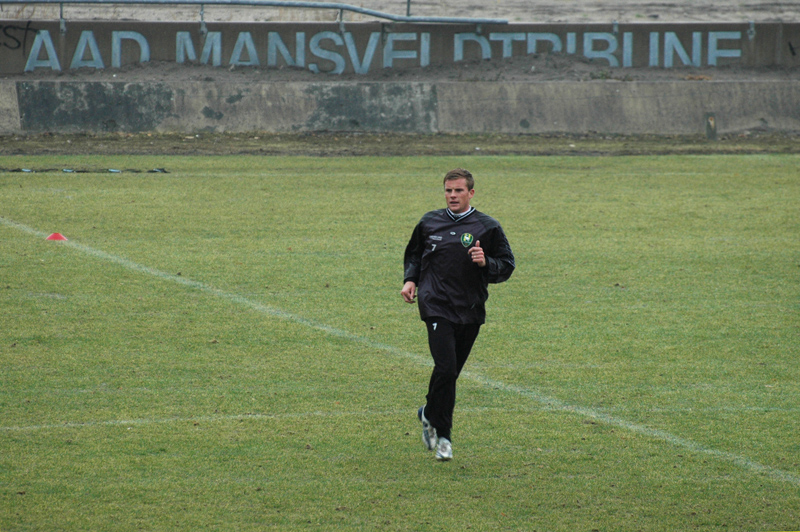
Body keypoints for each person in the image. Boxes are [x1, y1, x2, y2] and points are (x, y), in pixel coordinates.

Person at [401, 168, 515, 461]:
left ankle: (428, 412)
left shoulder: (487, 227)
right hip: (435, 304)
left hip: (470, 308)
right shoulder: (429, 222)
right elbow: (414, 253)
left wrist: (485, 262)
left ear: (471, 193)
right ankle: (445, 439)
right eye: (448, 191)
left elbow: (506, 265)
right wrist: (410, 280)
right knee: (447, 368)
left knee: (449, 374)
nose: (452, 195)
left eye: (458, 191)